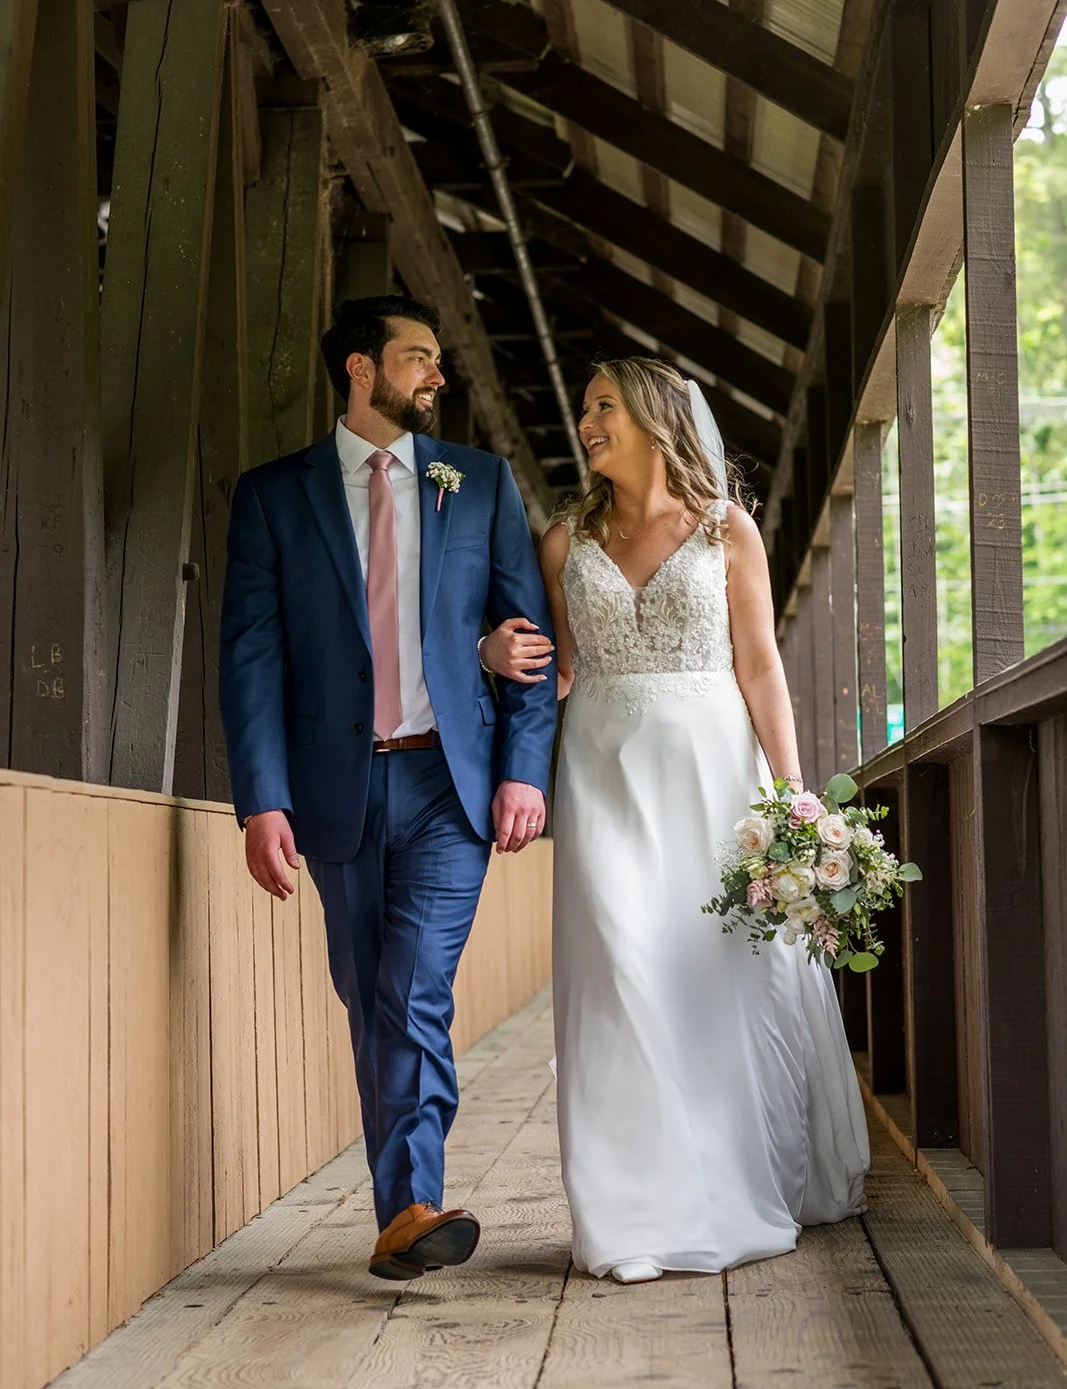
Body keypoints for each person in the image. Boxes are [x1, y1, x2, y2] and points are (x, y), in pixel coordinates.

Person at [480, 357, 868, 1285]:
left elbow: (762, 666)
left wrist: (790, 795)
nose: (585, 422)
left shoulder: (726, 531)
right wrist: (491, 656)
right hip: (602, 771)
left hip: (712, 777)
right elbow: (557, 673)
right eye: (584, 408)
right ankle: (629, 1213)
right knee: (617, 965)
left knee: (715, 979)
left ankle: (727, 1181)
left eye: (601, 405)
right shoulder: (564, 541)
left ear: (656, 420)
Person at [219, 295, 557, 1282]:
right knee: (369, 996)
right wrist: (260, 797)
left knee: (411, 987)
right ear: (361, 369)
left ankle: (409, 1199)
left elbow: (525, 646)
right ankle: (398, 1214)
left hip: (448, 787)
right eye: (418, 358)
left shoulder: (479, 483)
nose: (436, 376)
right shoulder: (274, 495)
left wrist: (521, 773)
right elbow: (250, 656)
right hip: (331, 789)